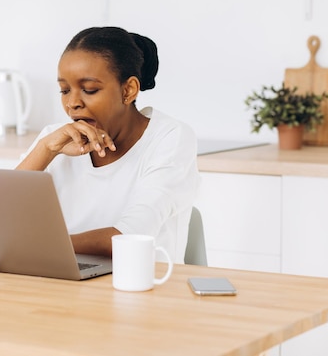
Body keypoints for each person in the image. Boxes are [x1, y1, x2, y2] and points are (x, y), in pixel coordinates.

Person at [16, 26, 200, 262]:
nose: (72, 103)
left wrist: (45, 245)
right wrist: (45, 150)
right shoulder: (55, 139)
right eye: (64, 90)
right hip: (64, 281)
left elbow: (131, 236)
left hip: (144, 285)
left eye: (89, 90)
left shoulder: (170, 138)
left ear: (128, 90)